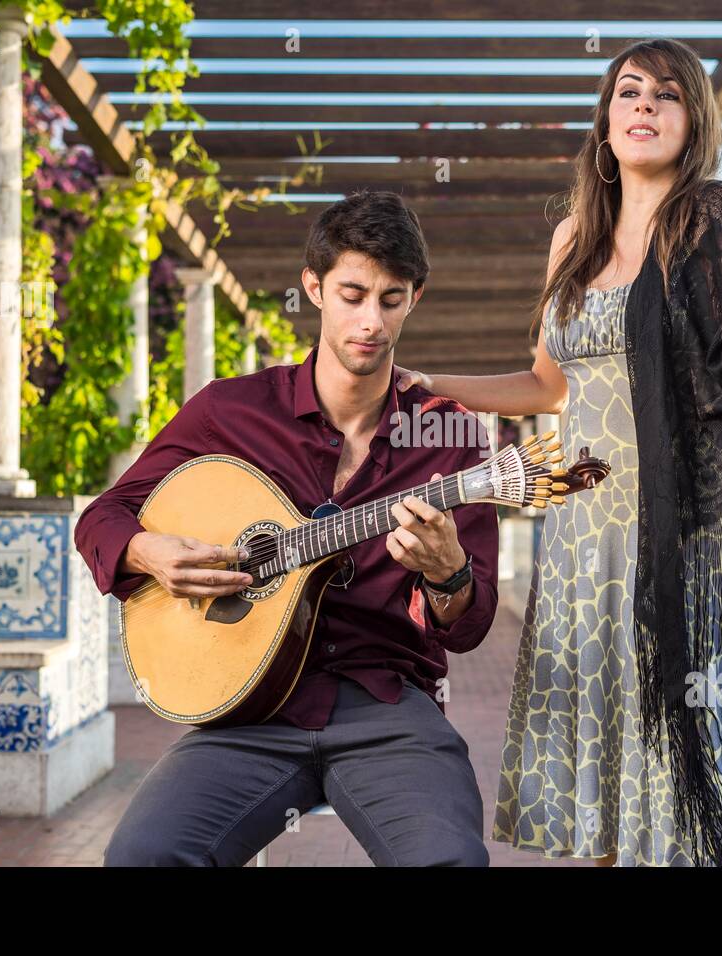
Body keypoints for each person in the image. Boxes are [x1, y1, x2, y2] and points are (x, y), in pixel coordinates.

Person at [395, 38, 722, 866]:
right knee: (603, 792)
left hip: (684, 546)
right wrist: (432, 383)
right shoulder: (572, 240)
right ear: (604, 121)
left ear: (693, 121)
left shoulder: (710, 219)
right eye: (628, 91)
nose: (644, 106)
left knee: (678, 784)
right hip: (578, 546)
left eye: (667, 95)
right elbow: (546, 385)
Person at [77, 190, 500, 867]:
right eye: (353, 294)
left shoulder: (450, 440)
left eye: (391, 300)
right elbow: (104, 515)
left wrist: (448, 574)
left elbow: (469, 624)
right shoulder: (230, 412)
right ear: (314, 287)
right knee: (143, 858)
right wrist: (147, 551)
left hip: (385, 705)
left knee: (449, 862)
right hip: (247, 713)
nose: (371, 321)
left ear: (413, 298)